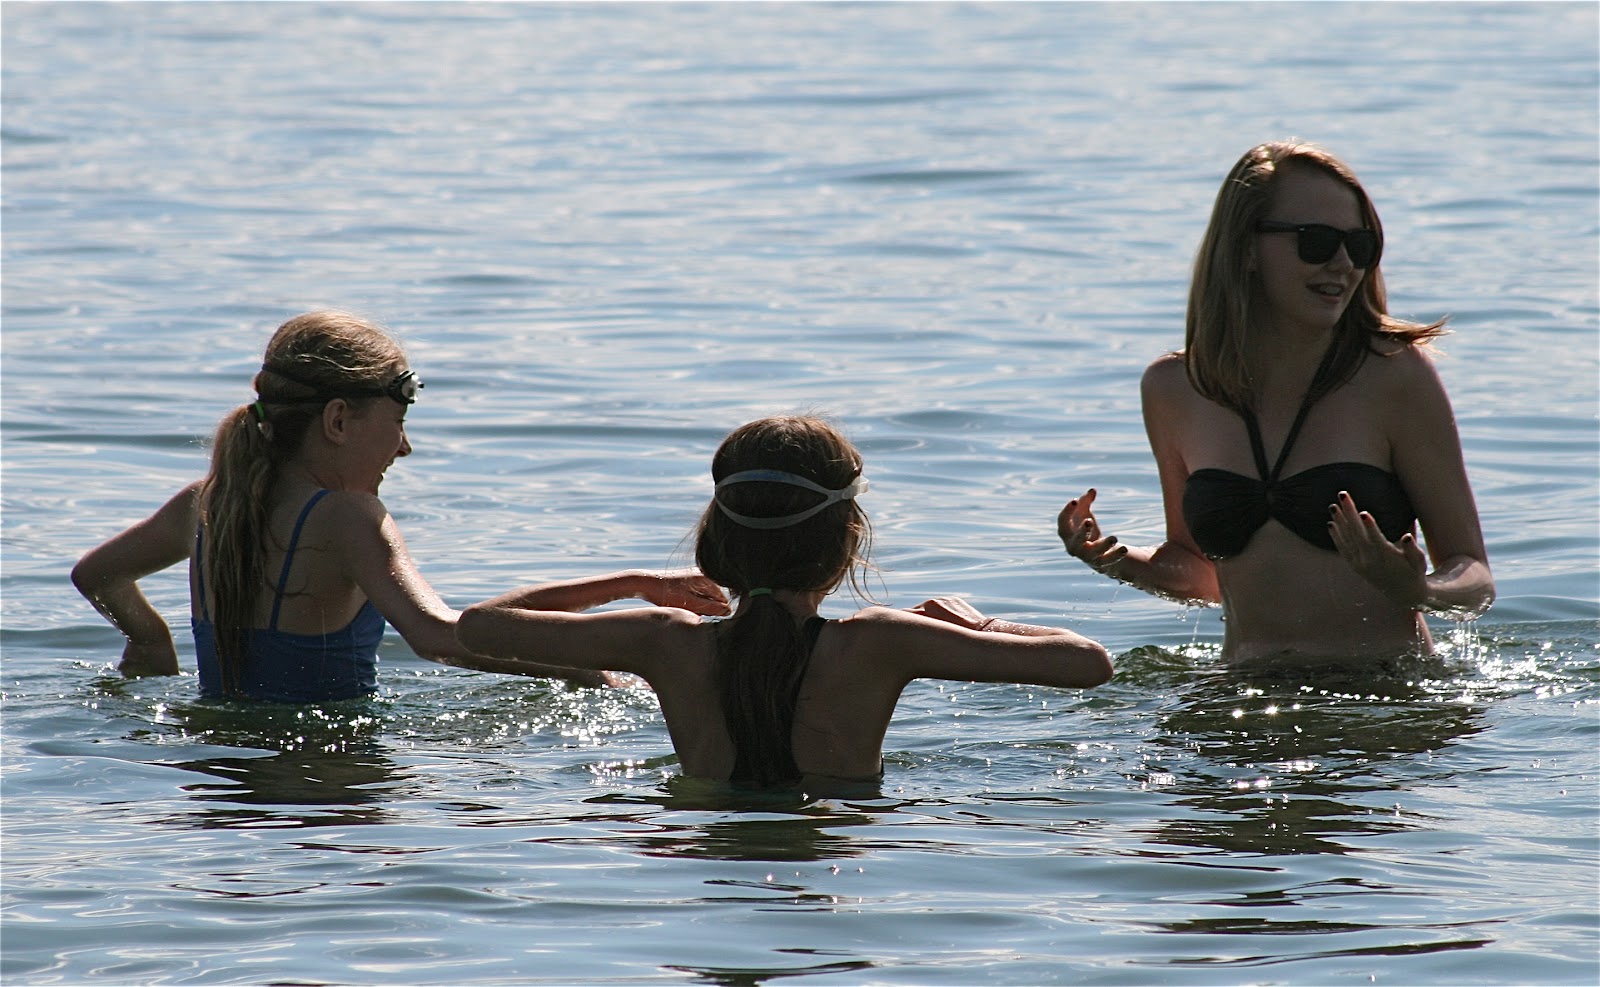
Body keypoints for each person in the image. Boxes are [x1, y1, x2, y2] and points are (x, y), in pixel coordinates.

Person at [457, 415, 1112, 787]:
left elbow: (480, 625)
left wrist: (628, 583)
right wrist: (983, 624)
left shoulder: (664, 638)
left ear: (717, 537)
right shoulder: (881, 641)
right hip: (835, 844)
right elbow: (1087, 663)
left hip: (704, 852)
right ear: (847, 540)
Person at [71, 310, 671, 701]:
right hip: (327, 784)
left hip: (220, 775)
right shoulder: (349, 518)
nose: (404, 447)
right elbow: (438, 636)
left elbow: (97, 576)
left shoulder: (205, 503)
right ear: (338, 420)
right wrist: (591, 668)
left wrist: (150, 639)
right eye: (398, 422)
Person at [1057, 140, 1494, 661]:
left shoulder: (1395, 376)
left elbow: (1475, 577)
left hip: (1387, 693)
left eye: (1360, 245)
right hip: (1239, 691)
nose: (1342, 263)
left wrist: (1420, 589)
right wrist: (1113, 558)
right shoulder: (1174, 388)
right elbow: (1203, 574)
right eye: (1316, 241)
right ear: (1244, 249)